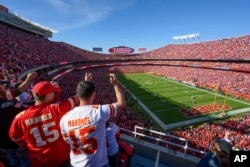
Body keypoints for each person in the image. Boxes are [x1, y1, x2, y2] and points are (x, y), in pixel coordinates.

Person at [9, 79, 80, 167]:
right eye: (53, 92)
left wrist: (26, 147)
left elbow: (14, 136)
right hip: (61, 158)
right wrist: (86, 81)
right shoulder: (57, 109)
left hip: (39, 161)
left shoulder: (20, 117)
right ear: (49, 95)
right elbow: (77, 97)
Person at [60, 73, 126, 167]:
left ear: (78, 95)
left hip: (75, 164)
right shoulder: (99, 112)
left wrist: (87, 82)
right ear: (93, 94)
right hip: (98, 164)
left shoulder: (65, 118)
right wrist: (115, 84)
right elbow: (121, 103)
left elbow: (67, 140)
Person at [0, 71, 37, 167]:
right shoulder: (7, 105)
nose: (5, 87)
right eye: (2, 85)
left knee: (13, 161)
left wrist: (28, 79)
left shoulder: (5, 99)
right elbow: (28, 106)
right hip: (15, 143)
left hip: (3, 145)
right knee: (25, 161)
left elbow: (17, 91)